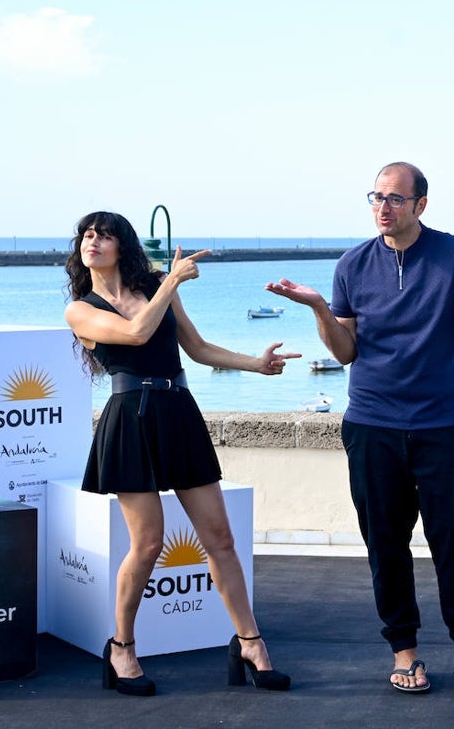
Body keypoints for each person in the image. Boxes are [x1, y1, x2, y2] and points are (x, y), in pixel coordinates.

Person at [265, 161, 454, 695]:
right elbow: (346, 351)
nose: (383, 207)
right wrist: (319, 310)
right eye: (376, 197)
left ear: (421, 204)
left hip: (444, 425)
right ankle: (405, 652)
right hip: (372, 426)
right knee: (386, 544)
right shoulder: (352, 265)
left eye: (395, 199)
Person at [63, 211, 299, 696]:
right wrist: (170, 280)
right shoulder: (80, 309)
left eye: (105, 235)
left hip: (178, 412)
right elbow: (135, 335)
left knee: (221, 538)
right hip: (130, 420)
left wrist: (255, 365)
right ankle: (122, 648)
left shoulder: (154, 289)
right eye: (88, 235)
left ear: (121, 246)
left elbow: (196, 348)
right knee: (148, 544)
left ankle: (251, 643)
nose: (94, 241)